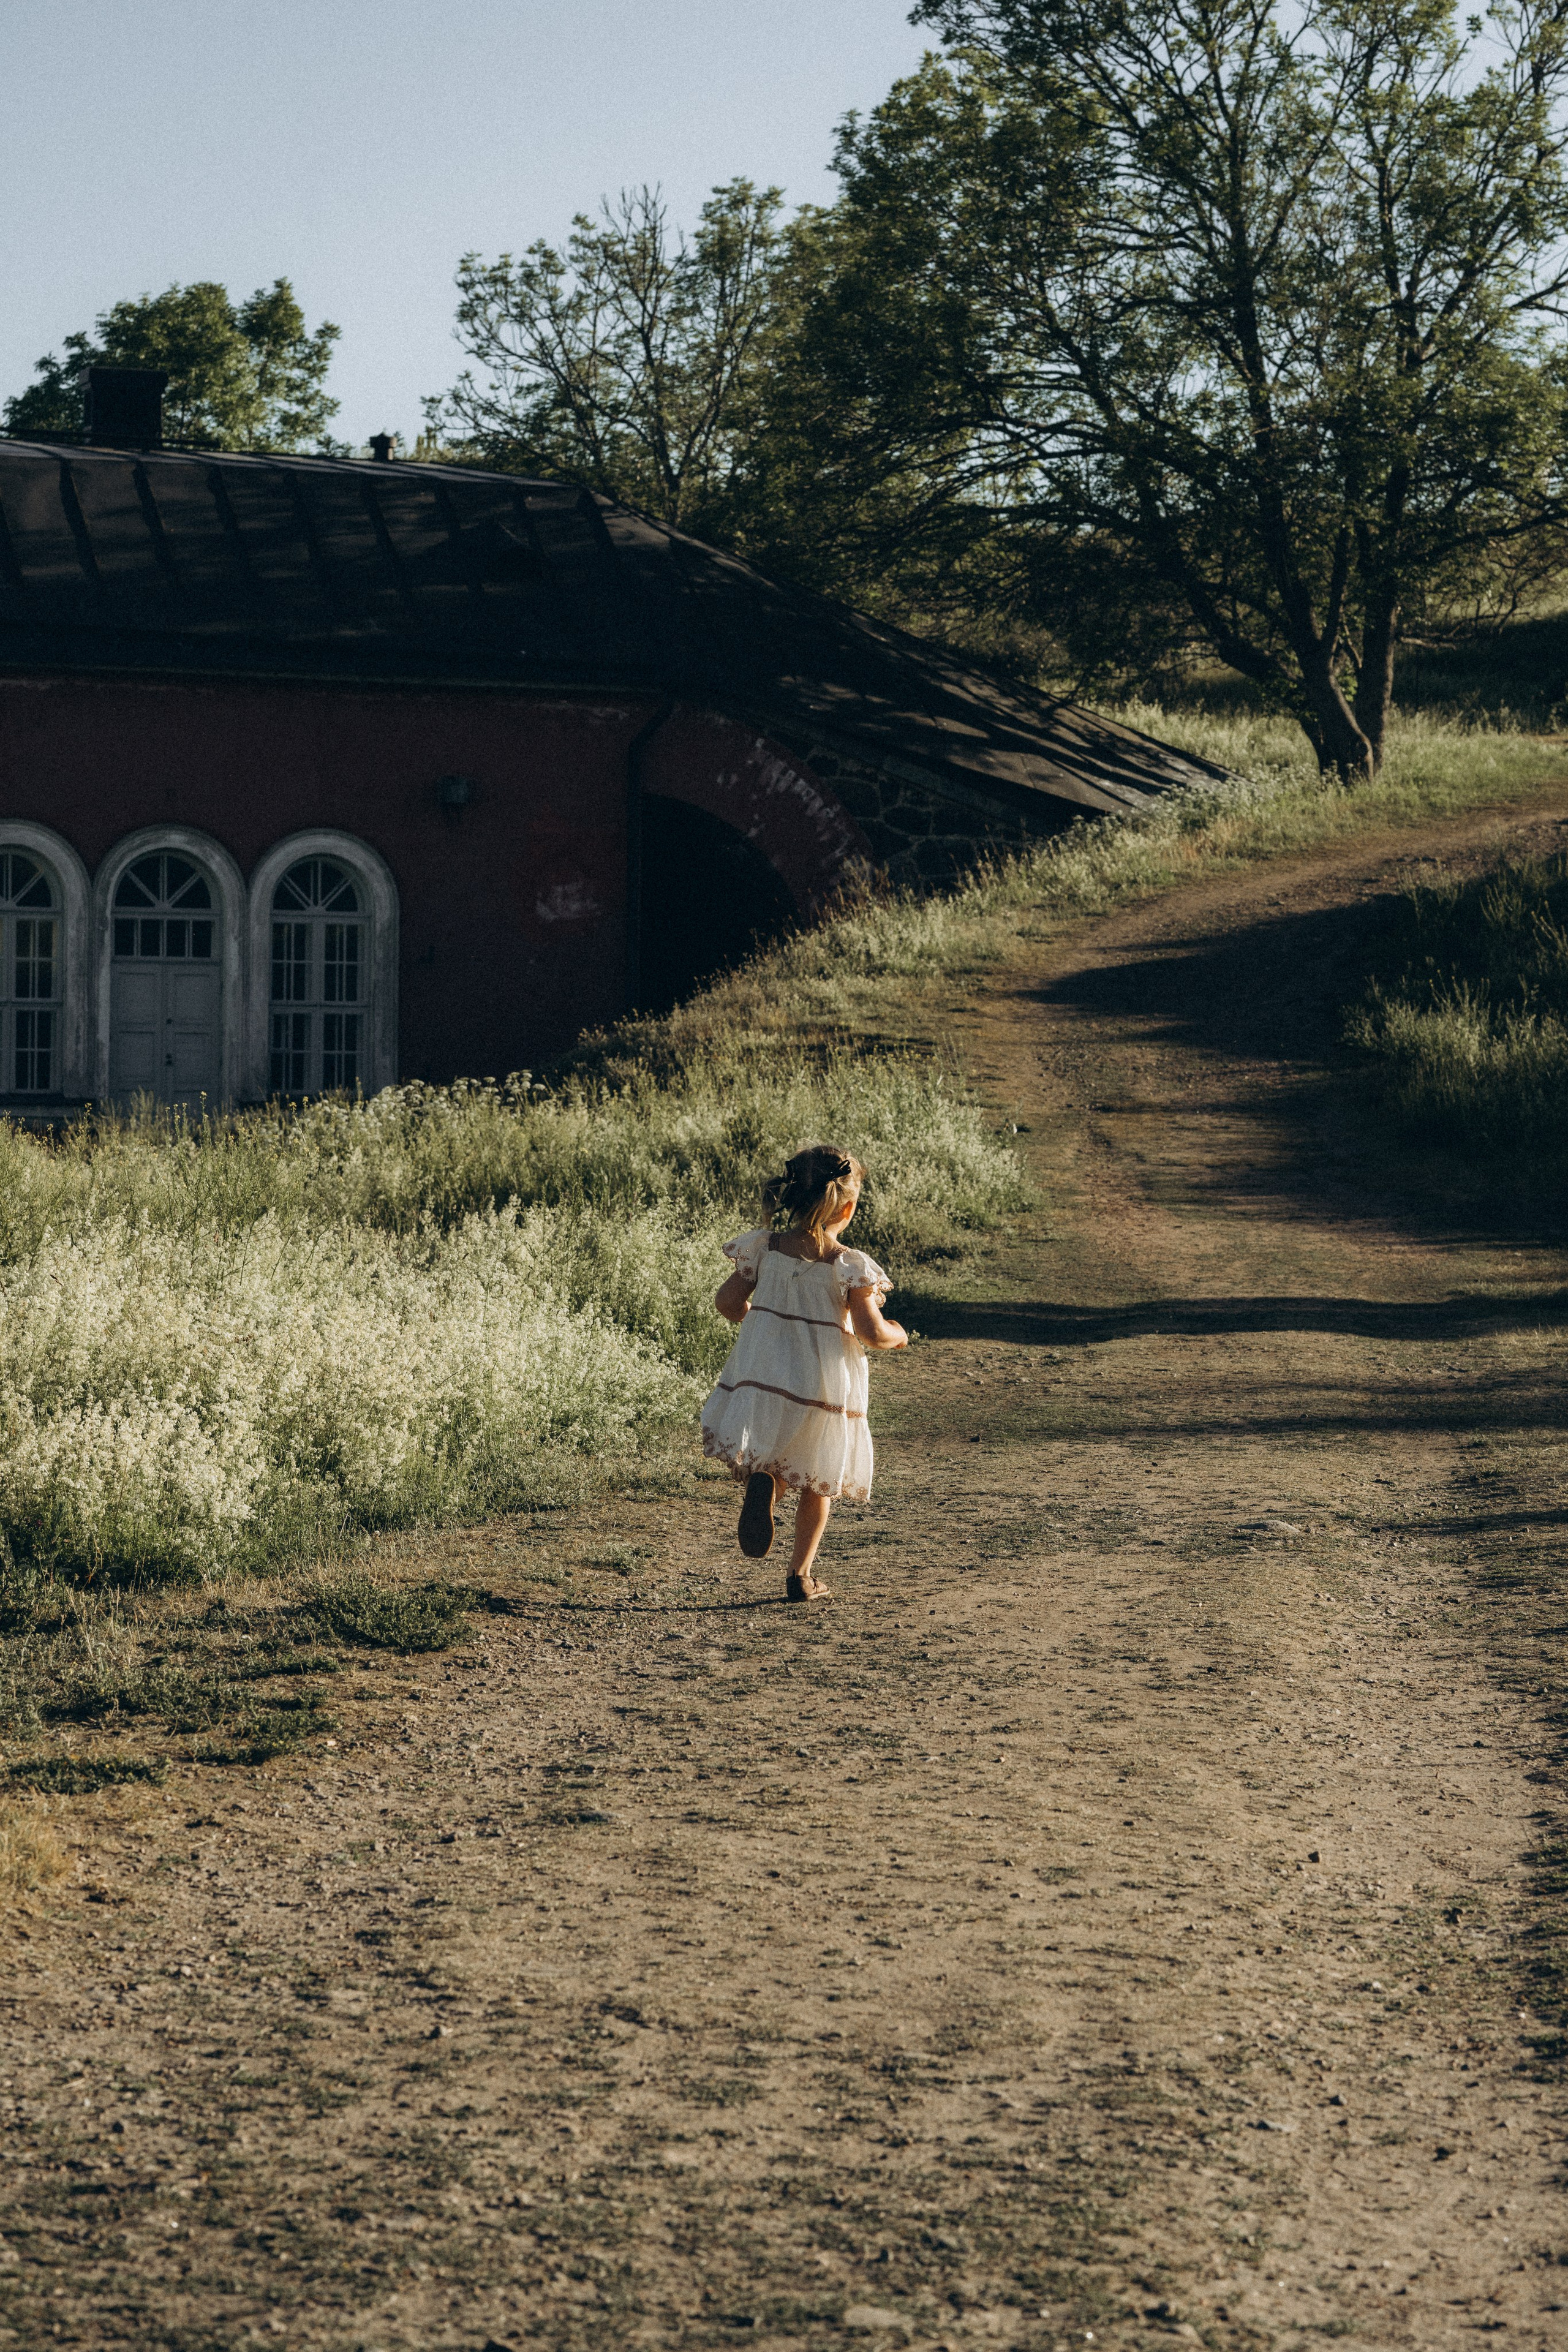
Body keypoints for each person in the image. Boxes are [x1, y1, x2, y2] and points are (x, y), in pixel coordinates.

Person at [701, 1143, 908, 1602]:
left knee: (777, 1455)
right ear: (847, 1208)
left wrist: (755, 1316)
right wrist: (899, 1333)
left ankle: (768, 1487)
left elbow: (727, 1303)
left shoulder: (765, 1248)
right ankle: (801, 1575)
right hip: (823, 1383)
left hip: (768, 1374)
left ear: (791, 1196)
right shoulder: (849, 1265)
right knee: (818, 1478)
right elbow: (871, 1332)